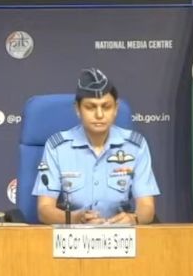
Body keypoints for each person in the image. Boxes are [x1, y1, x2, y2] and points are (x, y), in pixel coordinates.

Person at [33, 68, 159, 225]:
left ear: (116, 109)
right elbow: (44, 210)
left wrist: (133, 219)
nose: (99, 114)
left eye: (106, 107)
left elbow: (147, 207)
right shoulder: (57, 147)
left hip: (122, 240)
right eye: (91, 107)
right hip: (72, 239)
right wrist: (75, 219)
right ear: (77, 109)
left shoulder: (135, 145)